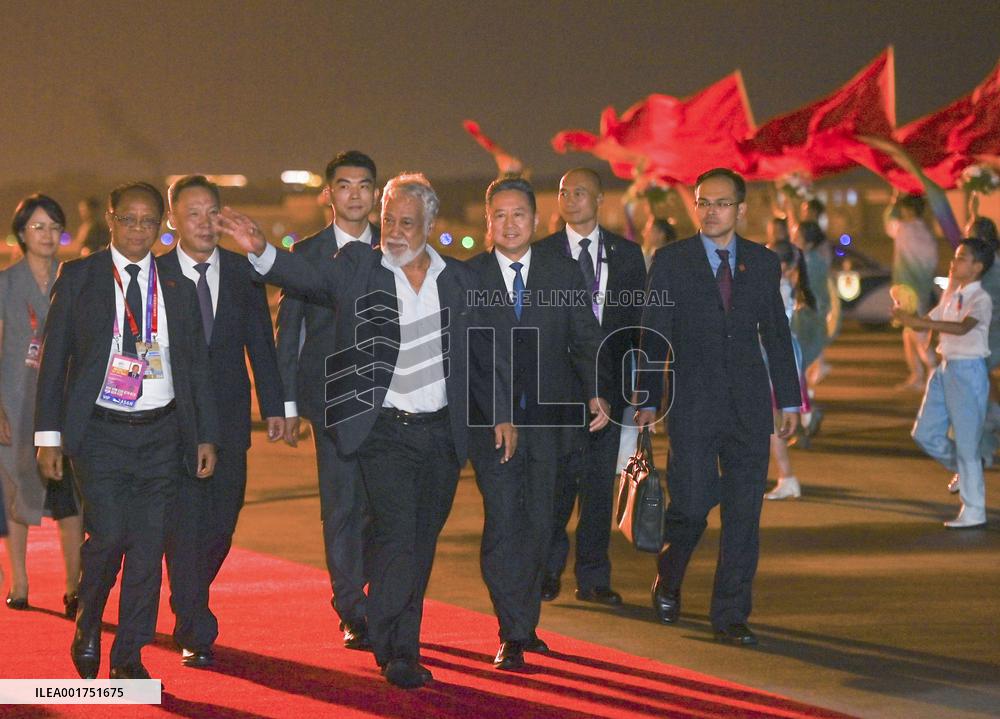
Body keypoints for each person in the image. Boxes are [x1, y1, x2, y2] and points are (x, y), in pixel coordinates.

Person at [230, 172, 515, 689]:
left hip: (441, 437)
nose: (396, 231)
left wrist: (499, 412)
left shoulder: (458, 280)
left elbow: (483, 353)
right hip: (383, 432)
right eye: (389, 221)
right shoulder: (359, 268)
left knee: (420, 542)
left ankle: (396, 634)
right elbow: (307, 278)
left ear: (430, 224)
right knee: (397, 537)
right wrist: (263, 252)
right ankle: (398, 649)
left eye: (408, 222)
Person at [35, 181, 218, 681]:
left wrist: (203, 435)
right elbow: (54, 364)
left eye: (148, 222)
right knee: (109, 536)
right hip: (100, 433)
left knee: (147, 547)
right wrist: (47, 438)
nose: (138, 230)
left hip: (162, 433)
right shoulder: (80, 277)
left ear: (161, 227)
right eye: (129, 219)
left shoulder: (175, 284)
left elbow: (196, 367)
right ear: (111, 219)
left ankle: (129, 656)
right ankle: (89, 621)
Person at [635, 168, 800, 645]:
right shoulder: (671, 261)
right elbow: (654, 331)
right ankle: (669, 576)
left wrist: (788, 397)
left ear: (741, 210)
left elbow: (775, 332)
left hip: (748, 404)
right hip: (692, 403)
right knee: (689, 505)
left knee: (744, 512)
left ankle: (730, 614)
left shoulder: (763, 263)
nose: (711, 211)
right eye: (704, 202)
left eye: (722, 203)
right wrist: (647, 397)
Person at [467, 177, 608, 670]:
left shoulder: (562, 272)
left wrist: (596, 391)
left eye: (519, 215)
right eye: (500, 216)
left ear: (534, 219)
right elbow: (468, 360)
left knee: (542, 526)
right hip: (493, 425)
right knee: (504, 523)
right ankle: (511, 630)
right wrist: (497, 413)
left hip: (552, 421)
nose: (510, 224)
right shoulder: (469, 278)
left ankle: (525, 624)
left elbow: (587, 338)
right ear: (489, 222)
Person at [158, 175, 284, 668]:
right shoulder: (157, 275)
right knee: (184, 523)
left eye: (212, 212)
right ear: (173, 221)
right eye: (193, 213)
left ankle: (187, 595)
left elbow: (261, 343)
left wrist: (275, 405)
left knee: (221, 525)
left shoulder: (241, 272)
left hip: (232, 417)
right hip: (174, 423)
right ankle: (195, 623)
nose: (205, 223)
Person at [274, 151, 380, 651]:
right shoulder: (306, 255)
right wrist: (288, 405)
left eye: (363, 185)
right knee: (341, 506)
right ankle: (351, 609)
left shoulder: (397, 247)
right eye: (344, 185)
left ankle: (384, 599)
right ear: (329, 194)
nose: (354, 194)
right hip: (330, 401)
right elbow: (288, 331)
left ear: (376, 193)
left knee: (383, 507)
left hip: (391, 401)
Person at [535, 168, 646, 609]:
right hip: (558, 389)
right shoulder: (541, 254)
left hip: (613, 387)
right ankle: (545, 571)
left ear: (601, 199)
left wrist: (642, 389)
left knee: (600, 487)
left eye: (581, 191)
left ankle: (594, 577)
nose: (571, 198)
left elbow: (638, 325)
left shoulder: (627, 255)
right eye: (564, 191)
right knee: (555, 486)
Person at [2, 195, 82, 616]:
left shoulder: (74, 279)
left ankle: (74, 587)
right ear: (21, 233)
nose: (48, 235)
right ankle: (20, 581)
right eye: (38, 227)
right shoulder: (5, 283)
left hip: (66, 404)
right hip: (16, 403)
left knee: (71, 500)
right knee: (19, 497)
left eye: (54, 226)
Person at [896, 239, 994, 529]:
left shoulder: (981, 299)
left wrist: (924, 324)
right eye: (955, 257)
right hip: (945, 368)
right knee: (925, 433)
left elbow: (963, 328)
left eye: (962, 258)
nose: (954, 262)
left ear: (977, 267)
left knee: (966, 444)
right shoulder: (952, 295)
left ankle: (974, 510)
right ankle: (964, 473)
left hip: (968, 370)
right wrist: (905, 314)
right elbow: (923, 322)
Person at [764, 240, 817, 500]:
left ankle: (787, 477)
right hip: (777, 357)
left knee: (773, 425)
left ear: (783, 265)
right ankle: (786, 477)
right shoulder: (783, 286)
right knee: (771, 424)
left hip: (775, 359)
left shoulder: (779, 288)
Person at [886, 194, 940, 391]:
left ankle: (932, 371)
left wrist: (893, 198)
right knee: (909, 333)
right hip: (919, 288)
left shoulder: (905, 228)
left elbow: (888, 223)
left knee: (917, 333)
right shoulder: (924, 231)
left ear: (908, 210)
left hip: (908, 289)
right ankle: (917, 375)